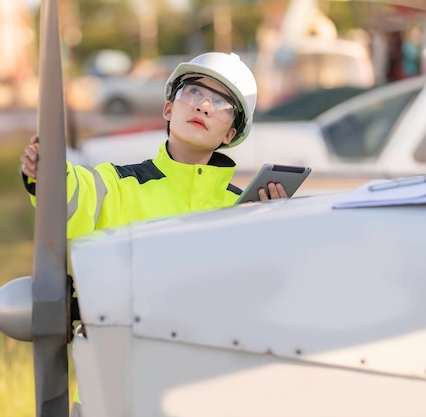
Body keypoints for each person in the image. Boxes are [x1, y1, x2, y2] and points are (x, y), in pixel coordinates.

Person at [20, 52, 287, 415]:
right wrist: (45, 170)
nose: (204, 105)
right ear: (168, 108)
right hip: (118, 396)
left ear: (231, 133)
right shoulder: (118, 185)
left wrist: (276, 227)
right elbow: (70, 194)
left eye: (222, 102)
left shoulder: (244, 209)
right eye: (193, 92)